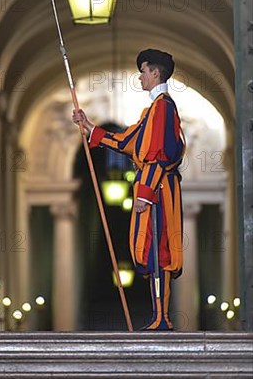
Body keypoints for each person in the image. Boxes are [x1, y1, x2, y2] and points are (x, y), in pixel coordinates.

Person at [72, 48, 186, 331]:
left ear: (155, 73)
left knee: (159, 252)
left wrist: (144, 195)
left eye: (143, 72)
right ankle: (158, 315)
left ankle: (162, 317)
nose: (140, 78)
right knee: (151, 252)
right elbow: (127, 141)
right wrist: (89, 127)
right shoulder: (153, 110)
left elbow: (160, 154)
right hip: (154, 188)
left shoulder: (163, 107)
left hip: (158, 190)